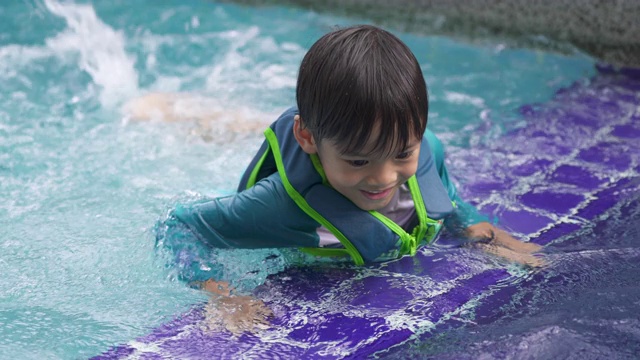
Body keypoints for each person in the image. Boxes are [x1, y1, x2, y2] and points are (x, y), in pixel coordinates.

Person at [156, 24, 542, 332]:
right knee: (218, 130)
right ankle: (179, 113)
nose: (384, 177)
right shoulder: (279, 207)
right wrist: (222, 295)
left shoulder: (425, 151)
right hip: (296, 175)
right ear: (306, 137)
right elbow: (180, 226)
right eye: (359, 161)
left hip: (333, 135)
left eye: (402, 153)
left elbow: (445, 199)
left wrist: (475, 228)